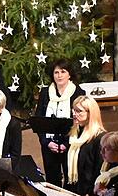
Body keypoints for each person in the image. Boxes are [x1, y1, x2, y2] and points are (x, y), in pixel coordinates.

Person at [34, 59, 86, 187]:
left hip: (70, 144)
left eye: (63, 71)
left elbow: (81, 121)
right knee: (52, 180)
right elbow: (39, 120)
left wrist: (66, 144)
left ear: (69, 74)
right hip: (49, 144)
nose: (59, 75)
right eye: (56, 72)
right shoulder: (45, 93)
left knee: (71, 181)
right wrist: (46, 142)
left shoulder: (78, 93)